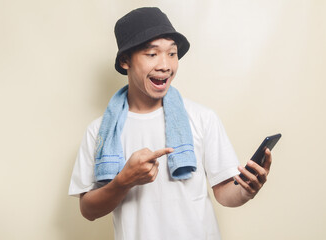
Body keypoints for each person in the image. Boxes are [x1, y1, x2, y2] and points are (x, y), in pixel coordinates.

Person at [68, 7, 272, 240]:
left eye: (172, 54)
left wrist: (247, 189)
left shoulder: (202, 119)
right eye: (152, 54)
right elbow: (88, 210)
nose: (165, 65)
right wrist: (123, 181)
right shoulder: (99, 132)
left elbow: (224, 194)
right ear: (125, 60)